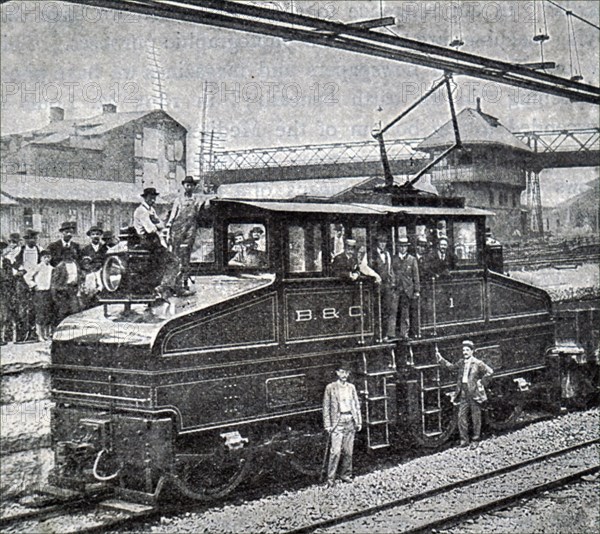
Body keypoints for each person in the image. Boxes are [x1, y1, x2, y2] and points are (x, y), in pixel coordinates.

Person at [436, 340, 494, 448]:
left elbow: (490, 371)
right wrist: (440, 359)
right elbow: (451, 367)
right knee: (461, 417)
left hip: (474, 393)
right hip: (463, 392)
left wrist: (481, 382)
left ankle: (475, 440)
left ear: (472, 351)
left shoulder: (477, 363)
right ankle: (464, 440)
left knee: (475, 417)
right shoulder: (461, 362)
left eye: (467, 350)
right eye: (463, 350)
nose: (465, 352)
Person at [133, 187, 181, 299]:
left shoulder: (151, 210)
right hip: (147, 241)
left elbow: (161, 225)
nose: (153, 201)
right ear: (145, 198)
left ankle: (159, 289)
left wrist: (156, 223)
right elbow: (151, 230)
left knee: (167, 262)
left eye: (154, 198)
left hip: (153, 241)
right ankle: (161, 288)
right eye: (150, 198)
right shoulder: (141, 211)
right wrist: (155, 224)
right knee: (174, 261)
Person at [322, 361, 362, 487]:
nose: (344, 374)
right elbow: (326, 407)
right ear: (337, 373)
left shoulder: (351, 387)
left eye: (346, 372)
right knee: (335, 452)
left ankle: (346, 475)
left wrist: (358, 421)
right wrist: (327, 424)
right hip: (337, 422)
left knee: (348, 451)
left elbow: (356, 405)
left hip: (350, 419)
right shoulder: (330, 387)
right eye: (342, 372)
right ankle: (330, 479)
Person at [166, 176, 204, 294]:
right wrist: (168, 228)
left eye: (191, 185)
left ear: (194, 187)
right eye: (187, 185)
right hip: (177, 230)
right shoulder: (178, 200)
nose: (189, 187)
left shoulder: (196, 200)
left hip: (190, 229)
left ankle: (185, 282)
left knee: (186, 255)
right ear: (184, 186)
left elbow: (199, 210)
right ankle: (174, 284)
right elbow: (173, 215)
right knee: (175, 257)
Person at [391, 236, 420, 340]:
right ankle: (392, 334)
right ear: (398, 247)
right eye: (401, 246)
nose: (402, 248)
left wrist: (417, 290)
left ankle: (404, 333)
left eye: (404, 246)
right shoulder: (394, 259)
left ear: (407, 248)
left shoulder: (412, 260)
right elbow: (392, 273)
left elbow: (416, 276)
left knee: (405, 312)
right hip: (396, 289)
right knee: (393, 310)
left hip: (407, 289)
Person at [24, 250, 54, 341]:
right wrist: (33, 285)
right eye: (45, 257)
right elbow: (27, 276)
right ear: (41, 258)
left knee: (48, 313)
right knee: (40, 313)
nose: (47, 259)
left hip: (49, 292)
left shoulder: (52, 268)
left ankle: (47, 334)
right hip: (40, 292)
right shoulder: (38, 267)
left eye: (48, 257)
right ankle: (39, 334)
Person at [372, 233, 395, 341]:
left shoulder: (387, 254)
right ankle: (377, 335)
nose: (382, 244)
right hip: (376, 286)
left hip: (387, 286)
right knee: (377, 310)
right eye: (381, 242)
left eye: (384, 242)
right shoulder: (372, 255)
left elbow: (390, 270)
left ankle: (385, 334)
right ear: (377, 243)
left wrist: (392, 281)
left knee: (386, 310)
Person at [51, 247, 82, 322]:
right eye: (67, 254)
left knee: (75, 310)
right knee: (63, 311)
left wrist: (78, 285)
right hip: (64, 291)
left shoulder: (75, 263)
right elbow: (54, 282)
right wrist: (56, 293)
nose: (69, 256)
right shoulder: (60, 266)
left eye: (71, 254)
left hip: (74, 289)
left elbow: (79, 275)